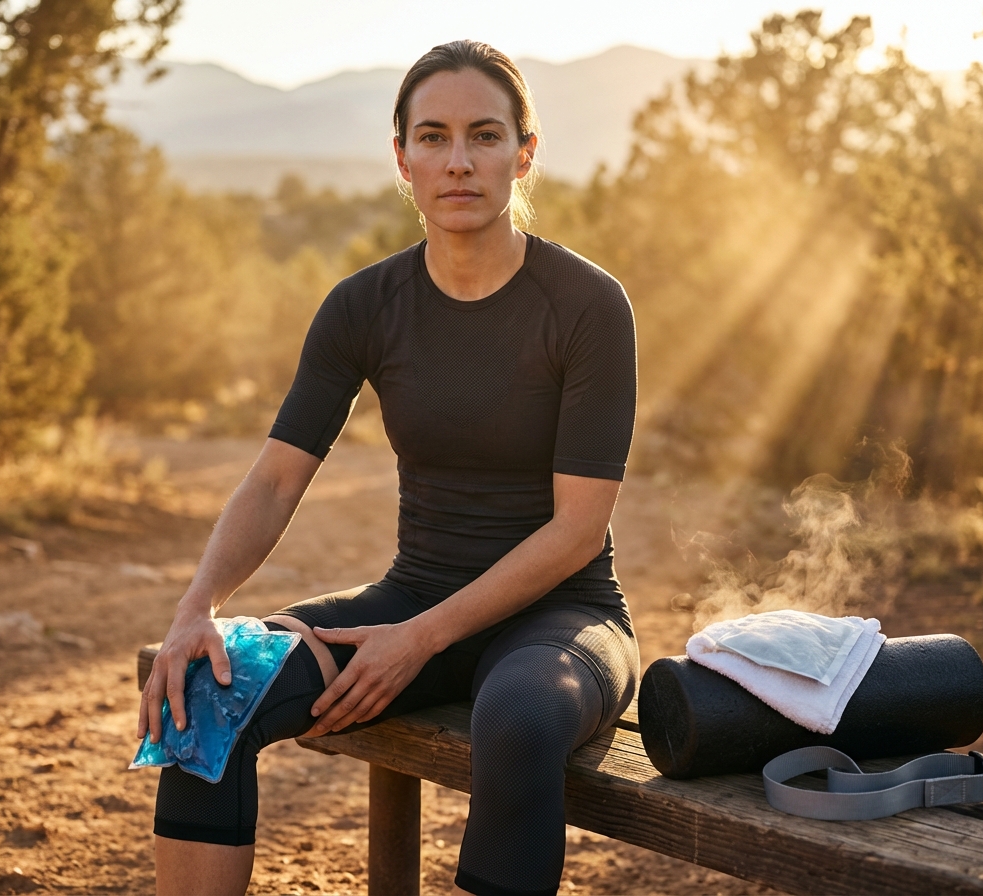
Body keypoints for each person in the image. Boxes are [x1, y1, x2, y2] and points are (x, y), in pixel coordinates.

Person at [138, 39, 639, 896]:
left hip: (563, 619)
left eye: (484, 136)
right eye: (433, 136)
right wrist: (197, 607)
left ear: (525, 153)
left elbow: (576, 531)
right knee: (204, 691)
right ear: (401, 157)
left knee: (516, 721)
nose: (458, 162)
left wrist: (421, 639)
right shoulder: (364, 305)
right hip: (412, 597)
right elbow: (274, 480)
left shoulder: (587, 305)